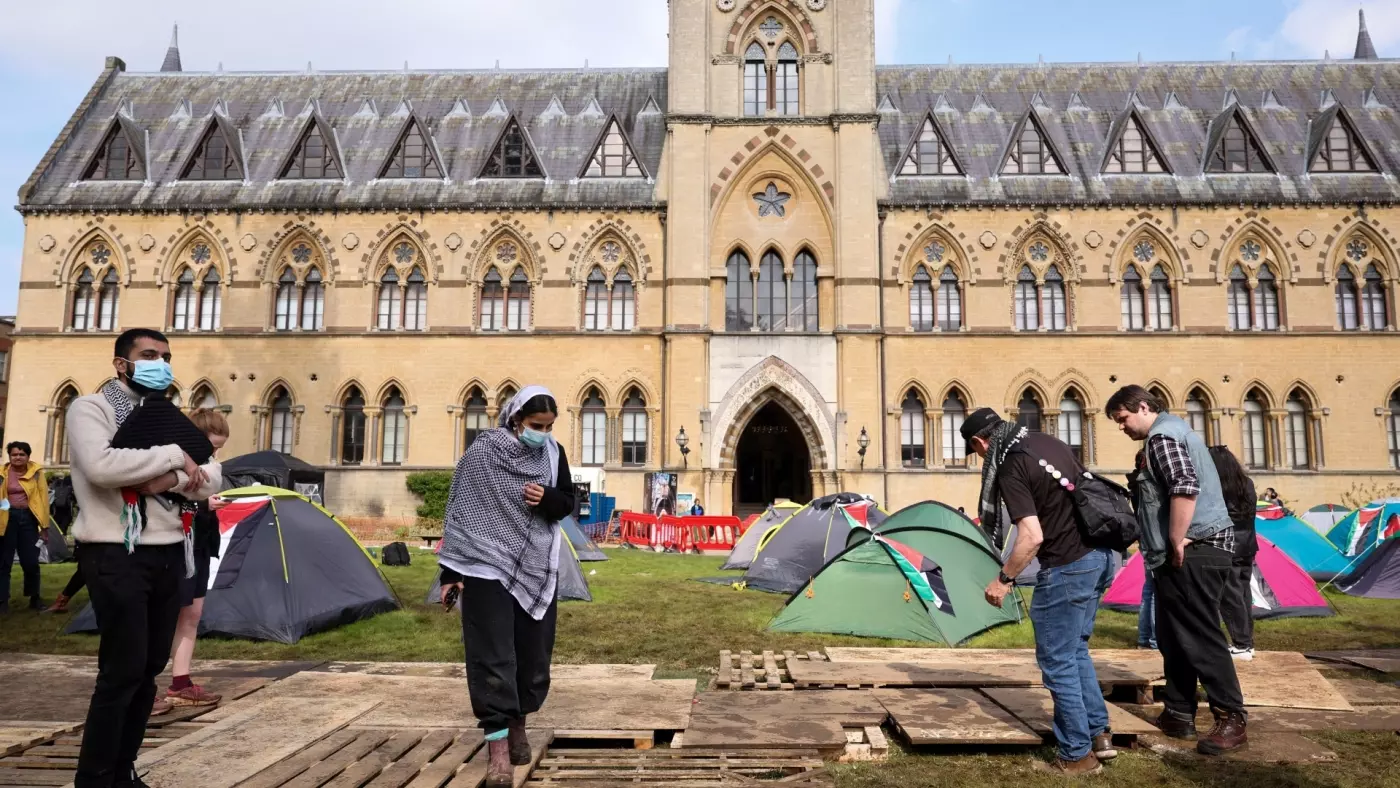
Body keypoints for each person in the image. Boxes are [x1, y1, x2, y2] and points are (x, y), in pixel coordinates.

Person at [69, 328, 222, 788]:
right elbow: (101, 467)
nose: (161, 362)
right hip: (116, 552)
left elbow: (212, 475)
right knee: (123, 669)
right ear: (122, 363)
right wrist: (176, 458)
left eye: (166, 356)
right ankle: (94, 779)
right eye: (149, 355)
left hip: (169, 552)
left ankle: (123, 772)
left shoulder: (168, 416)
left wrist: (171, 480)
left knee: (149, 670)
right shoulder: (91, 409)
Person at [962, 407, 1116, 776]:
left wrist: (1004, 579)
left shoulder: (1013, 463)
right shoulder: (1046, 441)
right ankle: (1099, 735)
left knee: (1058, 661)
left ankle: (1076, 755)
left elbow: (1031, 536)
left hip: (1068, 565)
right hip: (1102, 556)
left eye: (978, 452)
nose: (982, 459)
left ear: (981, 442)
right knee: (1076, 650)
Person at [436, 386, 576, 788]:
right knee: (491, 655)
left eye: (549, 426)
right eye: (537, 426)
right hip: (483, 568)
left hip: (534, 567)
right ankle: (497, 749)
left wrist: (546, 497)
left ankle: (519, 724)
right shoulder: (483, 453)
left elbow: (568, 504)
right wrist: (451, 574)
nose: (543, 433)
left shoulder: (552, 454)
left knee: (533, 655)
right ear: (516, 420)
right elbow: (461, 508)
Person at [1106, 384, 1246, 755]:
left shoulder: (1162, 437)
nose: (1121, 427)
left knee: (1200, 635)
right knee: (1173, 635)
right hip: (1190, 551)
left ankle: (1231, 717)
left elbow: (1184, 486)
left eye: (1122, 419)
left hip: (1194, 549)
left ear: (1141, 407)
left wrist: (1177, 539)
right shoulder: (1174, 432)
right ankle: (1178, 713)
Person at [165, 408, 232, 707]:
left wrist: (205, 505)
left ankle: (181, 682)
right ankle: (140, 688)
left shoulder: (208, 466)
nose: (215, 452)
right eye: (213, 445)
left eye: (219, 447)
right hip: (172, 543)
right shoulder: (169, 461)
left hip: (200, 543)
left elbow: (202, 488)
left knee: (191, 614)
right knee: (161, 615)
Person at [1209, 445, 1258, 662]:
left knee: (1230, 596)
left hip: (1228, 545)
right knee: (1243, 593)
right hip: (1247, 544)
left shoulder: (1217, 487)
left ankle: (1242, 643)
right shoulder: (1246, 483)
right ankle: (1246, 642)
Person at [1, 441, 51, 613]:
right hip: (7, 518)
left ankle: (34, 597)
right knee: (3, 562)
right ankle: (2, 601)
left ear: (28, 456)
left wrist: (44, 526)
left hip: (28, 519)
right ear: (9, 456)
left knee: (30, 561)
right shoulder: (2, 473)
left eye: (22, 454)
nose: (18, 457)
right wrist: (5, 511)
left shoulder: (36, 473)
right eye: (14, 454)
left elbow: (43, 499)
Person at [1125, 450, 1156, 650]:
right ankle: (1153, 640)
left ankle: (1145, 638)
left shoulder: (1136, 483)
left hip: (1146, 537)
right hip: (1154, 539)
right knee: (1155, 592)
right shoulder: (1147, 485)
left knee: (1149, 590)